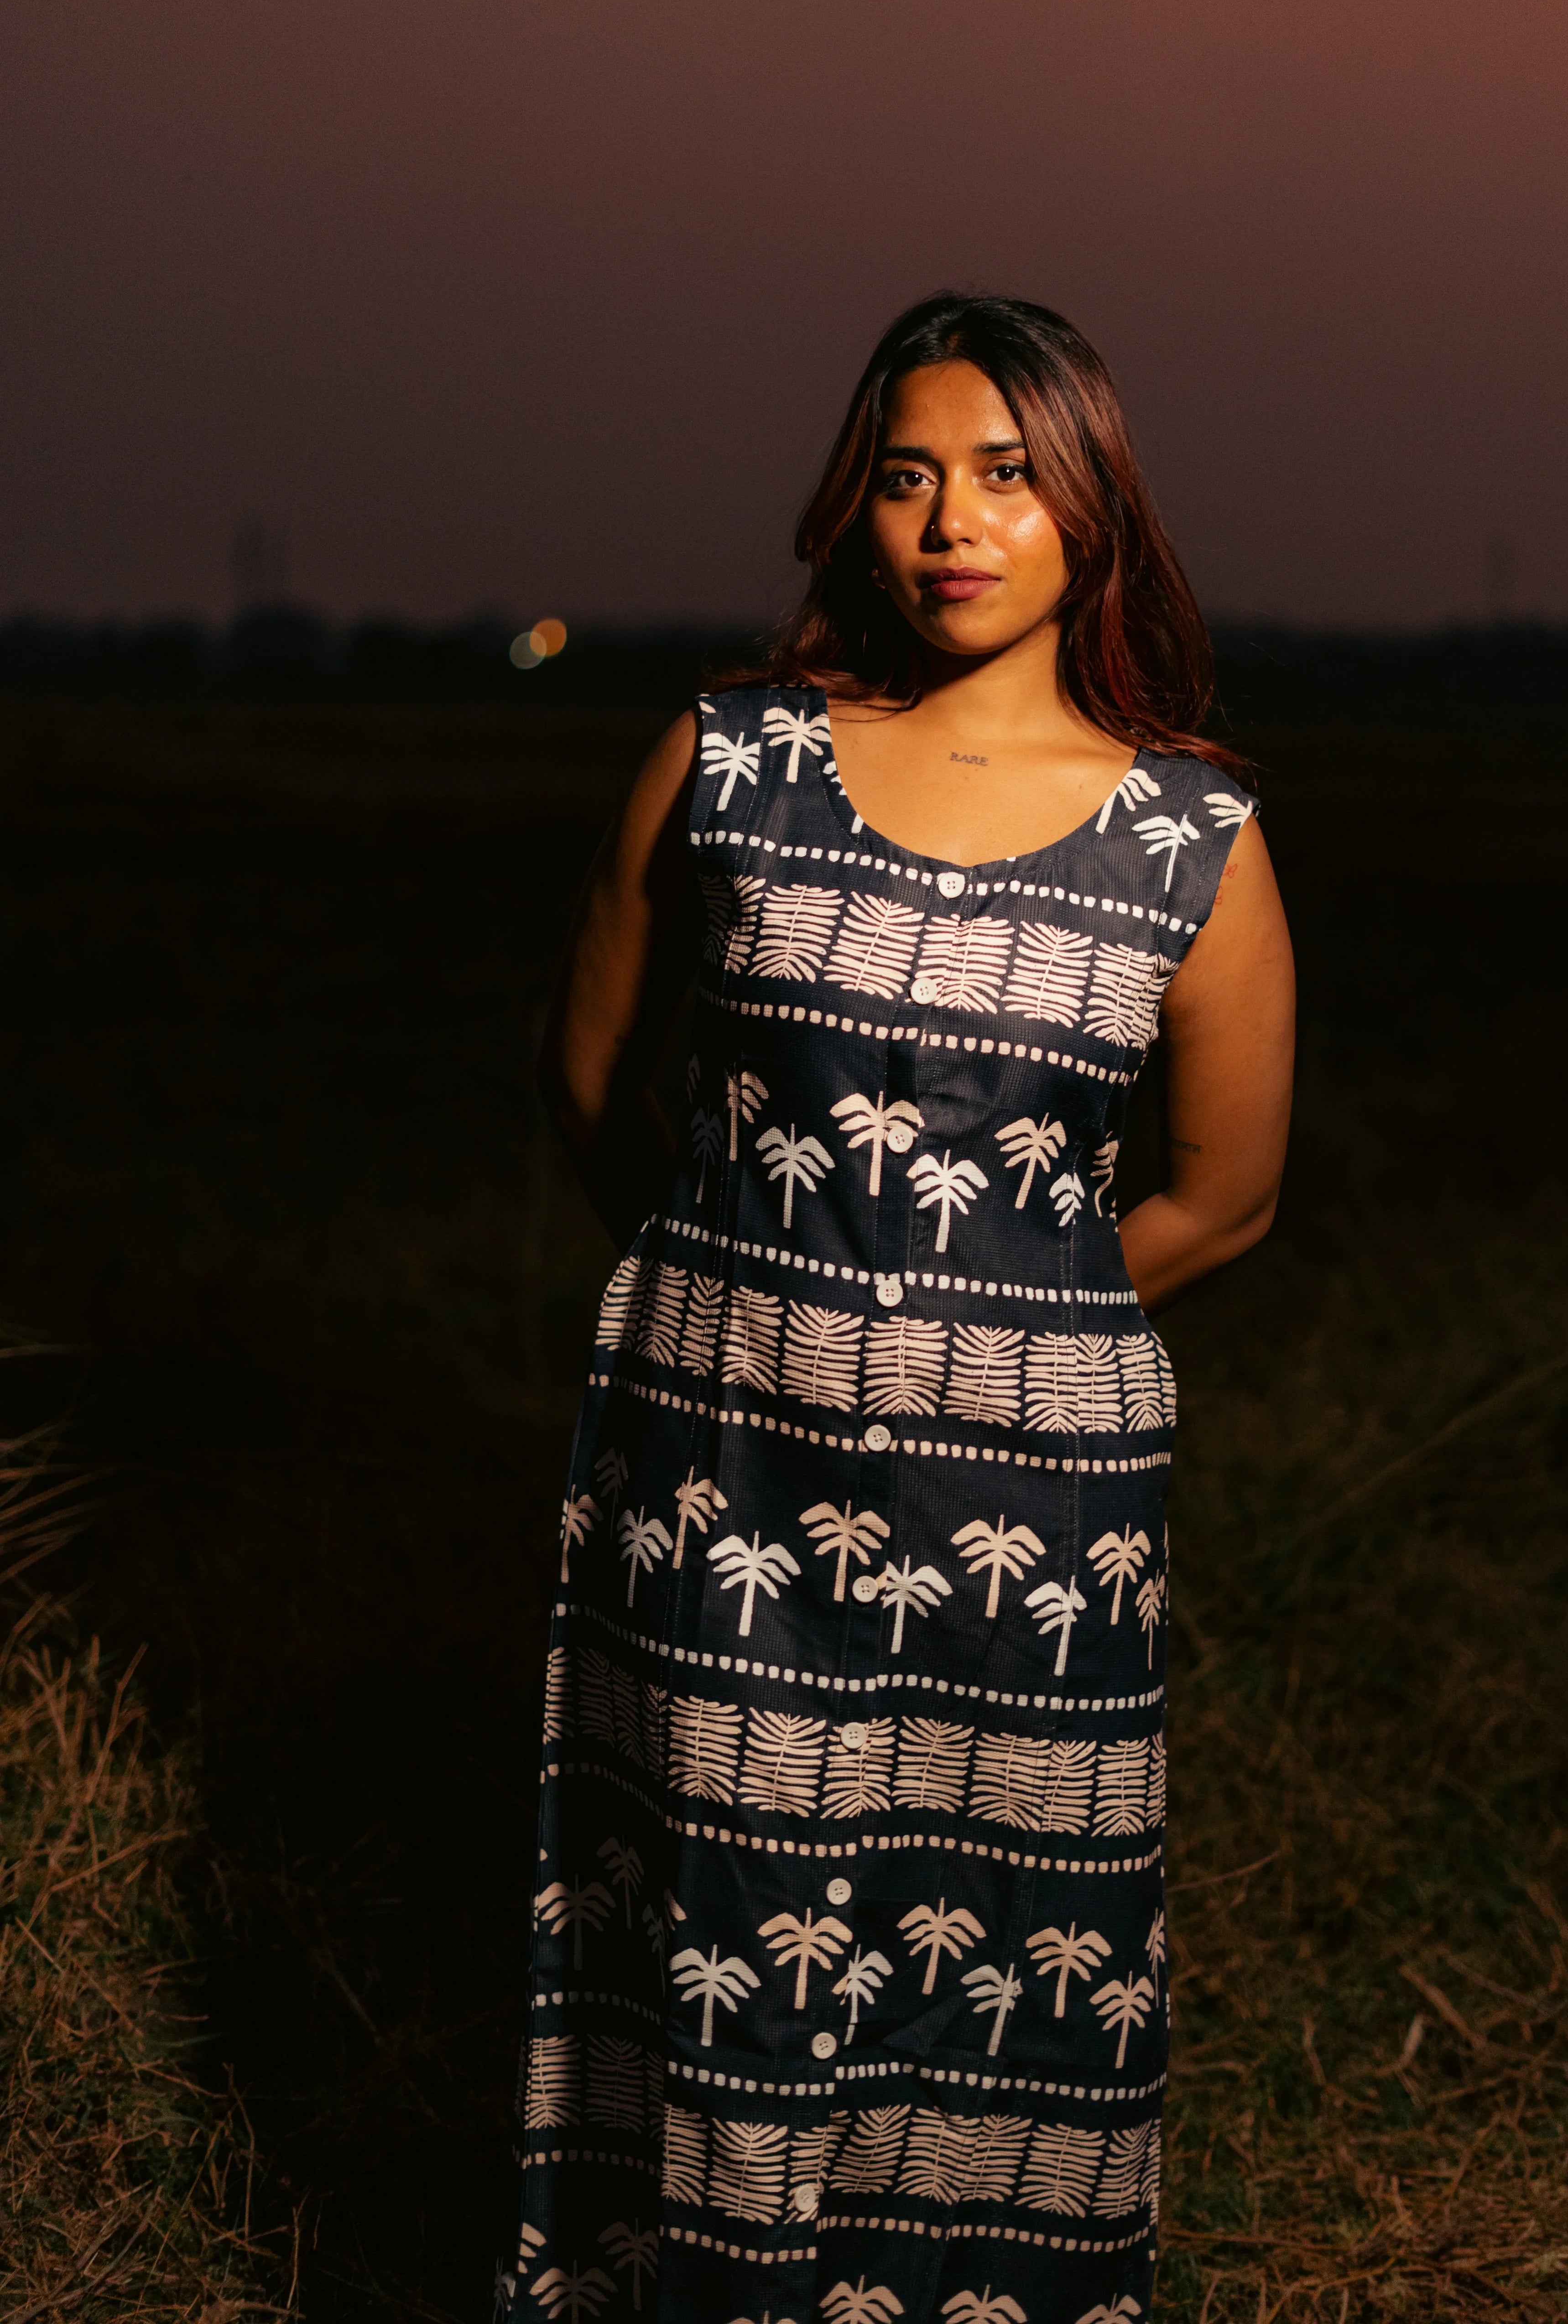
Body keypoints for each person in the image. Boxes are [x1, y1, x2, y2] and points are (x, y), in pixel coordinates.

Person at [504, 292, 1295, 2324]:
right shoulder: (731, 760)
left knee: (1003, 1963)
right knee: (727, 1946)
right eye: (911, 471)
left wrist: (983, 1329)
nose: (956, 520)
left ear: (1092, 511)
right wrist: (752, 1284)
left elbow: (1227, 1195)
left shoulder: (1189, 837)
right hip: (730, 1477)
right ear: (855, 506)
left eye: (1013, 478)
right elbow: (596, 1081)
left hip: (1037, 1532)